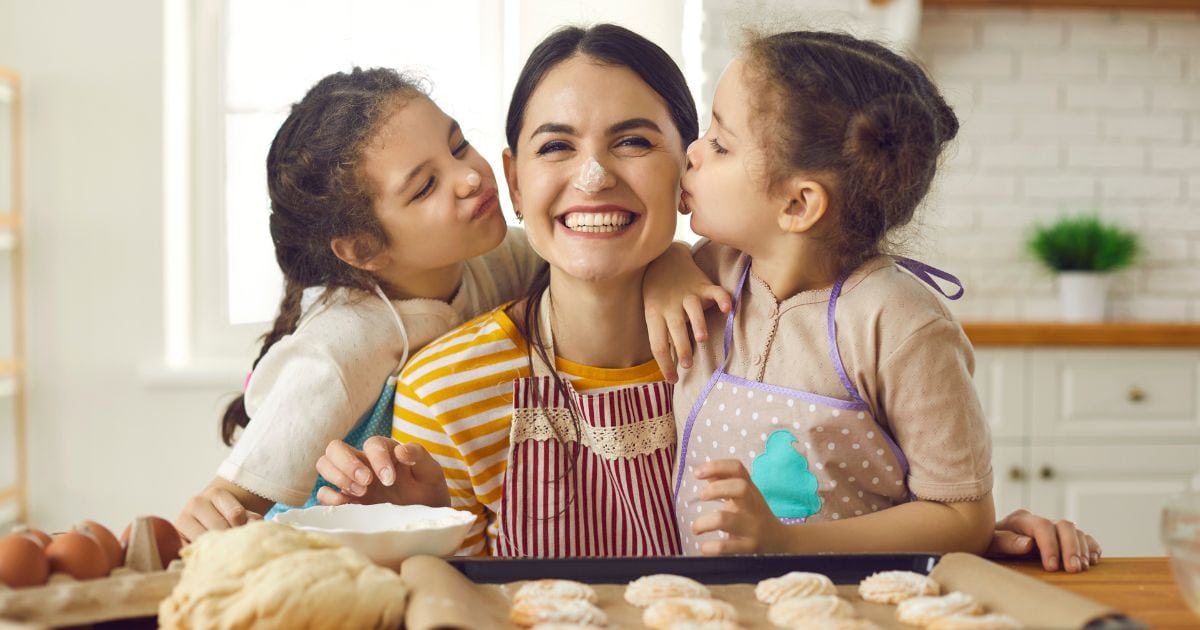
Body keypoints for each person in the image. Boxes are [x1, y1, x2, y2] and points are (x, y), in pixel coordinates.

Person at [318, 25, 1100, 571]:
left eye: (635, 141)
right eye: (556, 145)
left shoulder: (741, 333)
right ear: (514, 179)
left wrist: (978, 533)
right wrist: (418, 528)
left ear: (684, 175)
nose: (593, 177)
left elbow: (851, 494)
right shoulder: (444, 394)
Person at [648, 30, 1100, 572]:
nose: (692, 152)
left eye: (720, 145)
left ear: (798, 203)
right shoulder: (708, 270)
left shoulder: (899, 322)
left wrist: (784, 543)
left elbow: (963, 517)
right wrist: (663, 266)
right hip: (716, 603)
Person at [172, 67, 545, 543]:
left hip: (445, 545)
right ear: (363, 249)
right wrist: (207, 517)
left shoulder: (499, 258)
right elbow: (231, 502)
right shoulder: (338, 346)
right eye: (425, 187)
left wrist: (670, 265)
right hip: (337, 566)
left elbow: (598, 271)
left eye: (457, 146)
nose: (470, 176)